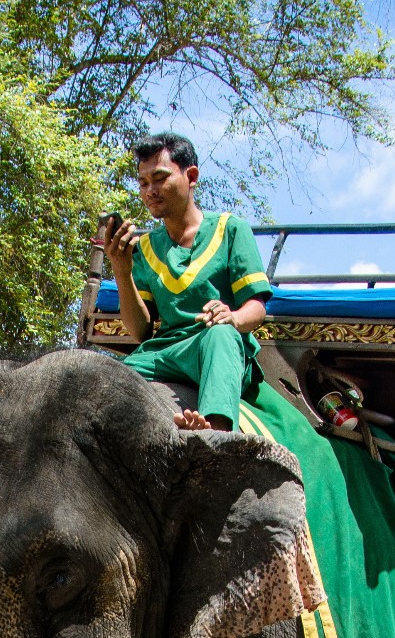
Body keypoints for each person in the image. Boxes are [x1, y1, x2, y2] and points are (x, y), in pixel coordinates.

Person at [102, 132, 275, 432]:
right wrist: (121, 270)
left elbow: (256, 309)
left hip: (215, 347)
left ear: (191, 176)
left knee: (220, 336)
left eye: (159, 178)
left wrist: (232, 318)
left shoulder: (231, 230)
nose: (150, 190)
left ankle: (217, 438)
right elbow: (141, 331)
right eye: (143, 183)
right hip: (164, 353)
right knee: (105, 378)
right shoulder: (144, 248)